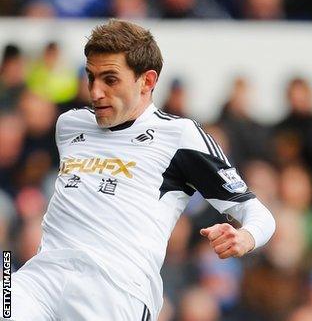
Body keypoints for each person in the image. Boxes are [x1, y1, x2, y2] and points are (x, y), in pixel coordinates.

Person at [9, 19, 276, 320]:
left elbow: (259, 214)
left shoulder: (180, 135)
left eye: (110, 80)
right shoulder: (70, 124)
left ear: (147, 81)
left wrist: (246, 237)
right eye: (91, 77)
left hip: (115, 289)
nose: (96, 92)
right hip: (40, 277)